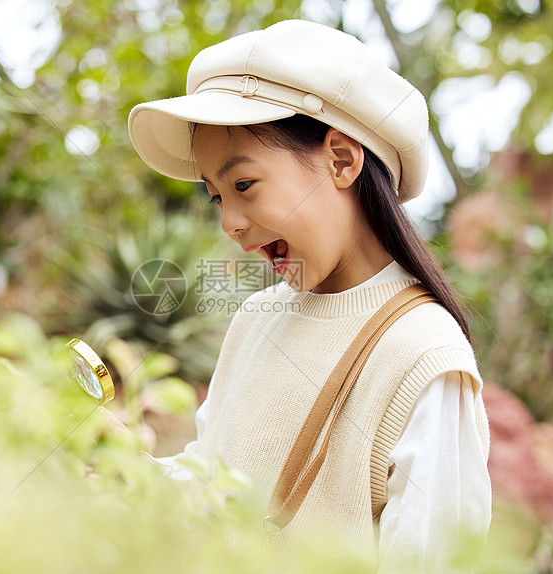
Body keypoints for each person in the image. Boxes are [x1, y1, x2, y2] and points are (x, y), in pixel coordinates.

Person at [127, 19, 491, 572]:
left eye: (243, 185)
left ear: (341, 161)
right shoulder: (257, 315)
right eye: (215, 196)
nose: (228, 221)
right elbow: (213, 486)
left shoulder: (424, 357)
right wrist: (123, 464)